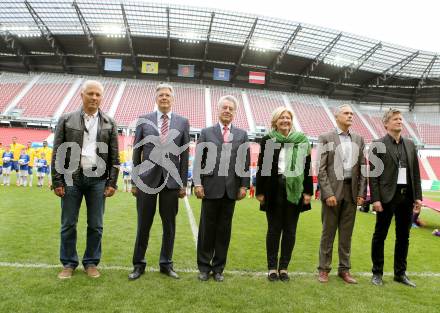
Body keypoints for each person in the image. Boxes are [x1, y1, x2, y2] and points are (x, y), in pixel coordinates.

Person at [52, 80, 120, 279]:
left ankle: (91, 262)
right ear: (81, 95)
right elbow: (57, 152)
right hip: (71, 178)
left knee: (96, 225)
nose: (94, 98)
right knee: (68, 224)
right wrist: (57, 181)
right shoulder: (66, 119)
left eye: (98, 94)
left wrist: (112, 182)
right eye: (90, 93)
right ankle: (68, 263)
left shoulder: (110, 122)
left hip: (98, 179)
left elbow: (115, 156)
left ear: (102, 97)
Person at [128, 83, 190, 281]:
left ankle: (166, 264)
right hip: (146, 180)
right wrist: (135, 181)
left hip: (171, 182)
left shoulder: (183, 122)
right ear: (156, 98)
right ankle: (138, 264)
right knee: (143, 224)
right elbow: (136, 152)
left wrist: (183, 184)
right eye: (161, 95)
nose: (164, 98)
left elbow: (185, 154)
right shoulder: (144, 120)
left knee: (169, 225)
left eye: (167, 95)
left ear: (173, 99)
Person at [193, 95, 250, 282]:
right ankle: (203, 267)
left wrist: (244, 185)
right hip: (210, 188)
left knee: (224, 231)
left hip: (230, 189)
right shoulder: (206, 132)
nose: (227, 110)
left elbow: (244, 162)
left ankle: (218, 269)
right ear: (218, 110)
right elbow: (198, 161)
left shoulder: (242, 135)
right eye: (224, 107)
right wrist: (198, 183)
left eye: (230, 108)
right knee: (206, 230)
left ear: (234, 112)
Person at [256, 107, 312, 282]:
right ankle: (272, 267)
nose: (285, 120)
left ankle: (284, 268)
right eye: (282, 118)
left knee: (290, 230)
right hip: (274, 187)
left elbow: (307, 167)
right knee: (274, 229)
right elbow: (262, 166)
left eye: (288, 118)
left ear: (291, 120)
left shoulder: (302, 140)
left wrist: (308, 191)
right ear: (275, 121)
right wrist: (260, 191)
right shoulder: (268, 140)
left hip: (295, 189)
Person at [369, 108, 422, 288]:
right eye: (396, 119)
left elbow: (415, 173)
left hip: (406, 198)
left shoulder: (410, 144)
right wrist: (375, 199)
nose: (400, 121)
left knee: (403, 237)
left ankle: (400, 273)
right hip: (386, 198)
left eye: (401, 119)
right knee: (380, 236)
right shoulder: (377, 144)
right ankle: (377, 273)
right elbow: (373, 176)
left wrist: (418, 197)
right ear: (386, 124)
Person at [317, 104, 366, 284]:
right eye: (346, 113)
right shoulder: (325, 138)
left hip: (351, 192)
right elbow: (321, 169)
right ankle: (323, 269)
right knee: (327, 233)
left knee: (347, 234)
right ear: (337, 116)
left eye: (352, 114)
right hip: (332, 192)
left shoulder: (359, 139)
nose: (350, 116)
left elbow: (363, 169)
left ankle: (344, 270)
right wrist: (327, 192)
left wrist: (361, 193)